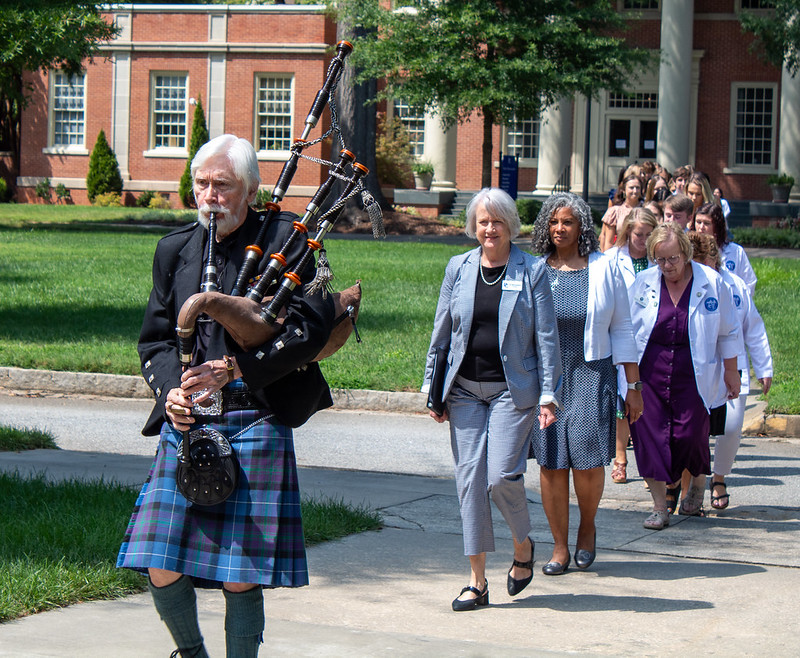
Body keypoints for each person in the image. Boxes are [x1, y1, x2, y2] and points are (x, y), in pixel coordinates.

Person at [117, 134, 336, 657]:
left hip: (256, 416)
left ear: (251, 190)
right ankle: (190, 653)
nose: (210, 196)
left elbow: (311, 331)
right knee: (159, 558)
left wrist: (237, 367)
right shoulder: (175, 249)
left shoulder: (290, 240)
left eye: (223, 185)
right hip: (189, 424)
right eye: (202, 184)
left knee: (240, 571)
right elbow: (155, 339)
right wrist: (171, 389)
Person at [423, 187, 561, 611]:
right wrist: (433, 386)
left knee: (499, 478)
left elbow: (547, 338)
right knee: (469, 483)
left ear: (510, 225)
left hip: (511, 392)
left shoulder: (532, 270)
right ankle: (477, 582)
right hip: (463, 390)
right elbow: (441, 331)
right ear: (473, 226)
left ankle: (523, 546)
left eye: (497, 220)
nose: (489, 228)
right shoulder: (458, 268)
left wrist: (549, 394)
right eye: (482, 221)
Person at [530, 193, 642, 574]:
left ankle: (587, 528)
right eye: (554, 222)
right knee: (550, 461)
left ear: (582, 228)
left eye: (568, 222)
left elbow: (623, 327)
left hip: (592, 374)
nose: (560, 228)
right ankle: (559, 546)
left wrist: (634, 386)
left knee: (588, 460)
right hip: (547, 380)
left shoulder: (604, 268)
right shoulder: (534, 269)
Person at [628, 223, 740, 529]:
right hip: (650, 369)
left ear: (686, 254)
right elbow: (627, 331)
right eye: (660, 260)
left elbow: (729, 331)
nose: (667, 267)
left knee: (689, 434)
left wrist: (731, 372)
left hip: (693, 370)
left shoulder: (712, 282)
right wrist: (628, 378)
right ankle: (659, 505)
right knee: (649, 436)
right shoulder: (643, 283)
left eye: (673, 259)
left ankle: (698, 482)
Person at [687, 232, 773, 510]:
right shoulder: (684, 284)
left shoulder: (734, 285)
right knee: (694, 431)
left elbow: (754, 328)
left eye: (706, 263)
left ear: (715, 260)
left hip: (733, 369)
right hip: (696, 370)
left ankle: (719, 478)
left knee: (732, 427)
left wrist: (764, 366)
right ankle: (692, 488)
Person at [604, 208, 658, 484]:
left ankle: (652, 466)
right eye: (639, 234)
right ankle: (620, 458)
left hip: (652, 339)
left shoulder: (659, 261)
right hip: (621, 339)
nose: (644, 240)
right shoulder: (612, 259)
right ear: (628, 233)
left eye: (650, 235)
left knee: (646, 401)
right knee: (622, 401)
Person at [690, 201, 757, 294]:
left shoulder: (736, 251)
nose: (701, 227)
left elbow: (749, 282)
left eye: (706, 223)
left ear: (717, 226)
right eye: (698, 222)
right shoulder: (688, 251)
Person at [600, 173, 643, 251]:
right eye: (631, 188)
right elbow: (608, 241)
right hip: (620, 254)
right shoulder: (615, 212)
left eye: (637, 188)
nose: (635, 191)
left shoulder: (646, 209)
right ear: (623, 190)